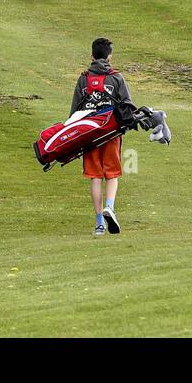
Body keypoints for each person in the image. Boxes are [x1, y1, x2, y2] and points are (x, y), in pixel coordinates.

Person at [70, 37, 133, 237]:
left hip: (88, 134)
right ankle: (110, 207)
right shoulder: (116, 78)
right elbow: (128, 107)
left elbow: (74, 112)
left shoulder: (83, 78)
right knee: (112, 174)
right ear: (110, 57)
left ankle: (99, 223)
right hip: (111, 132)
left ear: (91, 55)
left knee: (95, 176)